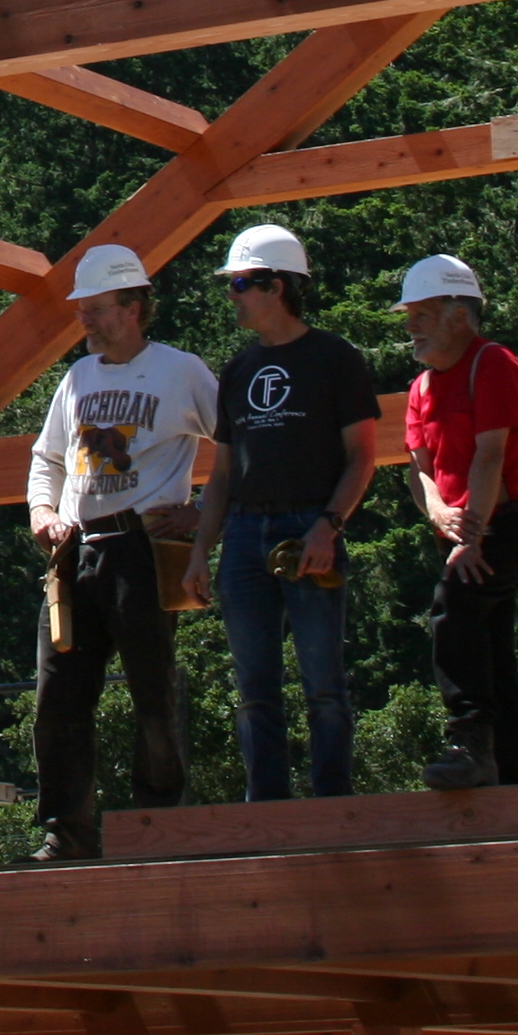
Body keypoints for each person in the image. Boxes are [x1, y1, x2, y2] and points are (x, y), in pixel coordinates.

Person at [22, 244, 217, 862]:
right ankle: (66, 832)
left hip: (142, 547)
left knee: (152, 690)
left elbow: (241, 444)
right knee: (59, 697)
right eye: (81, 308)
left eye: (97, 308)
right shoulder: (78, 378)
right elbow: (47, 458)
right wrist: (42, 511)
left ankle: (158, 824)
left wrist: (201, 513)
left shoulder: (181, 371)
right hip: (76, 550)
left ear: (133, 308)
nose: (85, 319)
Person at [181, 225, 380, 801]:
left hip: (309, 524)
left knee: (324, 683)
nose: (232, 294)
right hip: (245, 533)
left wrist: (328, 526)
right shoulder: (238, 369)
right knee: (254, 688)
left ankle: (331, 801)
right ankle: (265, 806)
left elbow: (362, 457)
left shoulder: (335, 358)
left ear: (279, 286)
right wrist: (201, 551)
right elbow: (222, 474)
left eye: (242, 283)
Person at [396, 254, 518, 791]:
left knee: (456, 604)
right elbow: (418, 471)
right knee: (489, 643)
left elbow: (491, 457)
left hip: (511, 520)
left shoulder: (492, 364)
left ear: (459, 315)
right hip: (467, 527)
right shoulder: (421, 388)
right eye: (409, 315)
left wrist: (474, 536)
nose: (411, 326)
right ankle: (512, 775)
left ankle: (468, 743)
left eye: (422, 314)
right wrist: (439, 512)